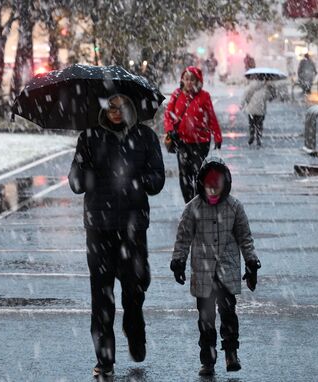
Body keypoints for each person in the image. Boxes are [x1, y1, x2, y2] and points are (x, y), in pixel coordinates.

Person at [68, 94, 165, 377]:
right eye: (110, 105)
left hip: (133, 227)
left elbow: (157, 178)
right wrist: (88, 175)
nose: (115, 111)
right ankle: (104, 358)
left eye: (121, 105)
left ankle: (135, 328)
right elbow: (75, 181)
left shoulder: (145, 137)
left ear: (131, 108)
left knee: (135, 289)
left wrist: (137, 182)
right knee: (101, 296)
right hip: (98, 227)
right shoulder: (89, 137)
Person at [169, 157, 261, 377]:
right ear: (201, 185)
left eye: (216, 185)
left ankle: (231, 352)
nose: (212, 190)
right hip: (203, 271)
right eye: (208, 186)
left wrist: (251, 262)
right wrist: (178, 261)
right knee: (205, 317)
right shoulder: (192, 209)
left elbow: (245, 237)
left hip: (227, 268)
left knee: (228, 312)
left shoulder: (234, 207)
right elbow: (183, 238)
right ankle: (207, 359)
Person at [163, 66, 222, 204]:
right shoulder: (177, 94)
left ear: (197, 81)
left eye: (192, 79)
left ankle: (198, 200)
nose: (189, 82)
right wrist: (170, 129)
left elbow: (211, 117)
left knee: (198, 173)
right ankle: (188, 203)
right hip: (182, 142)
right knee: (184, 174)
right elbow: (168, 115)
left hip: (200, 142)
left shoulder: (204, 96)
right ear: (182, 80)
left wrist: (217, 136)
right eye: (187, 79)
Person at [241, 78, 274, 147]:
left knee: (251, 123)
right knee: (259, 124)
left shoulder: (251, 86)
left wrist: (243, 103)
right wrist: (271, 90)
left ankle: (251, 135)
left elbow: (245, 95)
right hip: (261, 109)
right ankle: (258, 138)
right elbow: (269, 98)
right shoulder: (265, 88)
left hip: (251, 109)